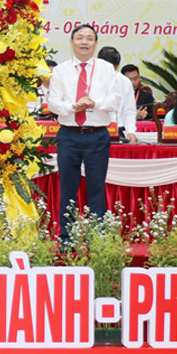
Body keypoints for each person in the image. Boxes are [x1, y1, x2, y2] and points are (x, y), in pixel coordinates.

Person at [47, 24, 121, 237]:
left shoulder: (107, 69)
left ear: (96, 44)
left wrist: (93, 103)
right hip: (68, 135)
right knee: (68, 189)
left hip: (97, 136)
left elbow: (114, 100)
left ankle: (97, 238)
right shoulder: (60, 71)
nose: (84, 42)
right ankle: (67, 238)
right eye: (80, 38)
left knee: (96, 188)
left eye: (89, 38)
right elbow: (53, 104)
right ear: (71, 42)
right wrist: (74, 107)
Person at [98, 47, 139, 143]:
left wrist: (130, 131)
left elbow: (129, 110)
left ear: (116, 65)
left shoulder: (124, 82)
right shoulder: (90, 80)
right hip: (96, 130)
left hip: (118, 131)